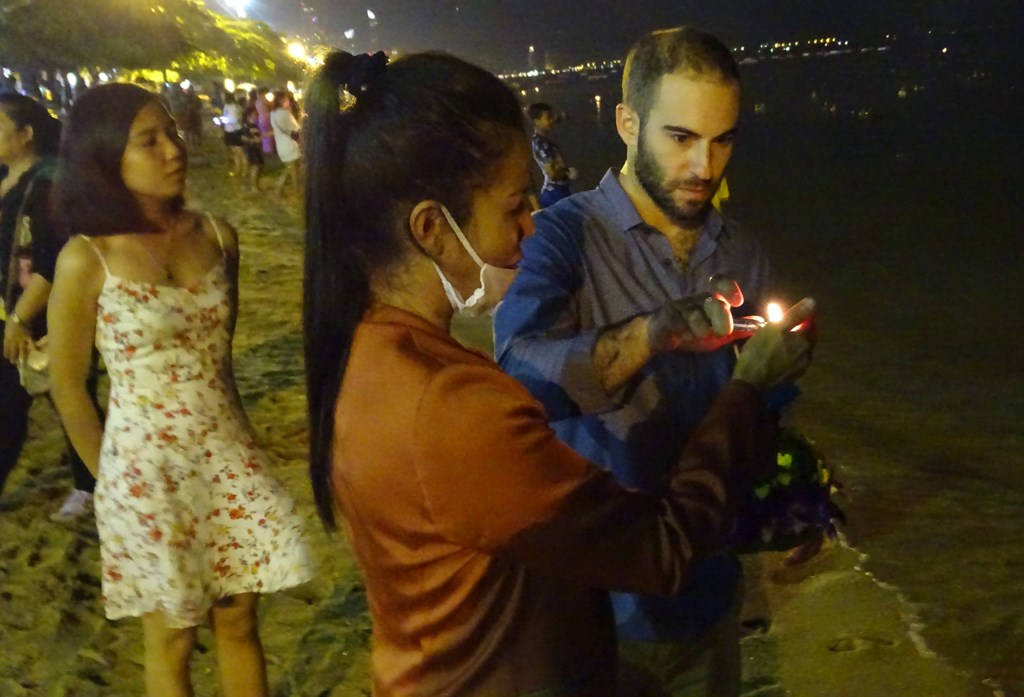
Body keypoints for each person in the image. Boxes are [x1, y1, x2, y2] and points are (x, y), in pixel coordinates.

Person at [303, 50, 814, 696]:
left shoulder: (366, 353)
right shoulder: (453, 400)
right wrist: (733, 383)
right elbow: (658, 544)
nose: (528, 228)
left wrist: (795, 485)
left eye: (723, 140)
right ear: (432, 228)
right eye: (515, 204)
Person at [495, 26, 777, 697]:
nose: (704, 166)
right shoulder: (561, 235)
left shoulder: (741, 253)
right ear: (628, 122)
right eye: (681, 138)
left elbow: (754, 400)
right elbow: (517, 379)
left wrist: (794, 494)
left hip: (708, 595)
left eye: (723, 139)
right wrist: (653, 333)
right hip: (592, 609)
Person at [47, 83, 313, 696]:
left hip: (227, 455)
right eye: (150, 140)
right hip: (145, 474)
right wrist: (112, 486)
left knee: (240, 618)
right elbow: (68, 388)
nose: (174, 149)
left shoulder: (219, 237)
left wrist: (248, 451)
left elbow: (220, 368)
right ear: (105, 156)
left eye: (173, 132)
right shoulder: (87, 259)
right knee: (171, 635)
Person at [0, 90, 98, 519]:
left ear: (25, 134)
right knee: (11, 404)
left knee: (72, 397)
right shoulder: (6, 178)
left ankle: (92, 485)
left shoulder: (48, 184)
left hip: (49, 315)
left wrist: (21, 317)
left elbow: (52, 259)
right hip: (9, 315)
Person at [528, 102, 576, 207]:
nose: (552, 121)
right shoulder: (540, 143)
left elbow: (556, 120)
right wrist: (568, 172)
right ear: (536, 121)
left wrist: (562, 117)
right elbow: (552, 173)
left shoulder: (544, 140)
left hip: (561, 190)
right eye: (548, 118)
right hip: (554, 194)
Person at [269, 90, 301, 198]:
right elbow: (296, 128)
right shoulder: (285, 113)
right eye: (286, 98)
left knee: (289, 169)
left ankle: (279, 190)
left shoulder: (273, 113)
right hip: (289, 144)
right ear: (282, 100)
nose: (288, 100)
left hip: (281, 144)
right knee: (293, 170)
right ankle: (295, 192)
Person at [219, 90, 247, 177]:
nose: (222, 98)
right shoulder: (226, 106)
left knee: (241, 152)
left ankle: (244, 171)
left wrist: (224, 120)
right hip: (229, 131)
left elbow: (235, 120)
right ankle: (237, 170)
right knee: (235, 153)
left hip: (236, 131)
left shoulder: (235, 107)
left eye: (223, 96)